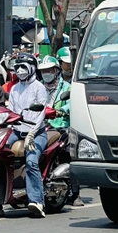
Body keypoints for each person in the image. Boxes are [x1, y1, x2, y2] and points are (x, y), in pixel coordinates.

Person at [6, 53, 49, 218]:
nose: (20, 70)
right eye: (18, 67)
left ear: (32, 68)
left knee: (31, 161)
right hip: (17, 131)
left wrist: (31, 134)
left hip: (37, 133)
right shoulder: (15, 88)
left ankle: (37, 201)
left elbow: (41, 114)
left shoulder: (39, 87)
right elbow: (11, 112)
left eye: (23, 67)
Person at [42, 56, 83, 207]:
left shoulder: (67, 87)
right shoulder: (39, 87)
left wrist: (60, 111)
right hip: (41, 127)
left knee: (68, 155)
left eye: (49, 70)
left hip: (61, 126)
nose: (46, 73)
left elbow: (73, 102)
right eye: (43, 71)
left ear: (56, 71)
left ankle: (76, 193)